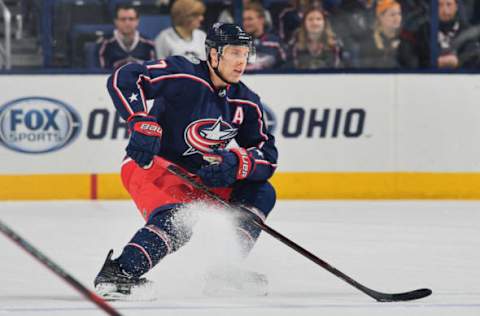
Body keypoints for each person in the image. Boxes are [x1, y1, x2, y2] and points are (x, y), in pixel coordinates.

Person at [94, 23, 278, 299]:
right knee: (178, 221)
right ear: (214, 55)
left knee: (261, 191)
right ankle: (119, 274)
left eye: (245, 53)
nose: (241, 61)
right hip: (154, 166)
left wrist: (238, 163)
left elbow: (267, 155)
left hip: (199, 178)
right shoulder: (183, 73)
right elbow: (125, 76)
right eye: (234, 53)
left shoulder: (246, 102)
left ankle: (225, 269)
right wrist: (139, 120)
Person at [398, 0, 480, 68]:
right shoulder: (424, 30)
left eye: (449, 4)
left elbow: (473, 57)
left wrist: (458, 61)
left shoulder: (466, 30)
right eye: (439, 5)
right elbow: (416, 60)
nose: (445, 10)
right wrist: (434, 63)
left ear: (456, 7)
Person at [98, 5, 156, 69]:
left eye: (131, 19)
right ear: (116, 21)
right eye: (123, 19)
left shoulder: (148, 44)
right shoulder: (105, 43)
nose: (127, 23)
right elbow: (100, 72)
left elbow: (152, 70)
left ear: (137, 21)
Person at [357, 0, 402, 68]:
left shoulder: (404, 38)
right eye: (392, 15)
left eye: (399, 13)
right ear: (380, 17)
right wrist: (390, 50)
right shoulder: (369, 41)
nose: (397, 18)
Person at [242, 2, 286, 71]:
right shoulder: (239, 44)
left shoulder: (275, 42)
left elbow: (286, 66)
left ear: (261, 20)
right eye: (244, 19)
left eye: (250, 19)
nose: (246, 23)